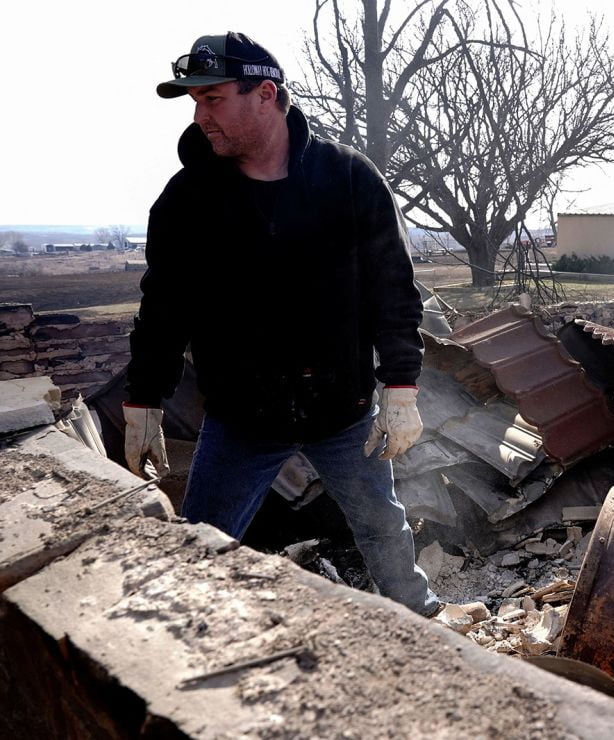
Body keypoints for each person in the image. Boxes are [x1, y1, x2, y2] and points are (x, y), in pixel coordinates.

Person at [123, 32, 440, 617]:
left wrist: (401, 385)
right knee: (202, 545)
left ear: (265, 93)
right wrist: (143, 397)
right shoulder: (188, 200)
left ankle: (424, 623)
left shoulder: (347, 179)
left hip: (343, 414)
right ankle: (190, 640)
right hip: (241, 421)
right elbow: (164, 306)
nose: (199, 115)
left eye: (213, 98)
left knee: (382, 527)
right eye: (194, 101)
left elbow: (392, 289)